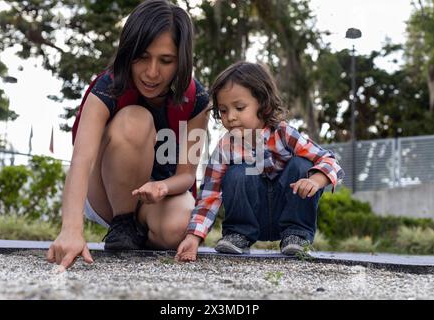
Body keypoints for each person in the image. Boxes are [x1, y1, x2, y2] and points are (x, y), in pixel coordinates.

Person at [47, 0, 210, 269]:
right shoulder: (107, 87)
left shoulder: (196, 100)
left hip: (156, 194)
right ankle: (123, 224)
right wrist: (71, 229)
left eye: (166, 61)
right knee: (136, 119)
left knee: (179, 227)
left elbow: (187, 174)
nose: (152, 72)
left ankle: (142, 232)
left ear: (181, 60)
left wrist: (162, 188)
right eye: (142, 57)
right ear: (128, 52)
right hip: (106, 191)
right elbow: (82, 159)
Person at [175, 61, 344, 262]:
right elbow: (209, 195)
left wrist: (316, 179)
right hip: (251, 217)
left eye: (239, 107)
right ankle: (238, 235)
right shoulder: (225, 146)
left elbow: (330, 161)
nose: (231, 117)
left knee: (303, 165)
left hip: (288, 210)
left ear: (263, 104)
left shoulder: (284, 134)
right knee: (238, 171)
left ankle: (297, 236)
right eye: (223, 110)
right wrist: (194, 237)